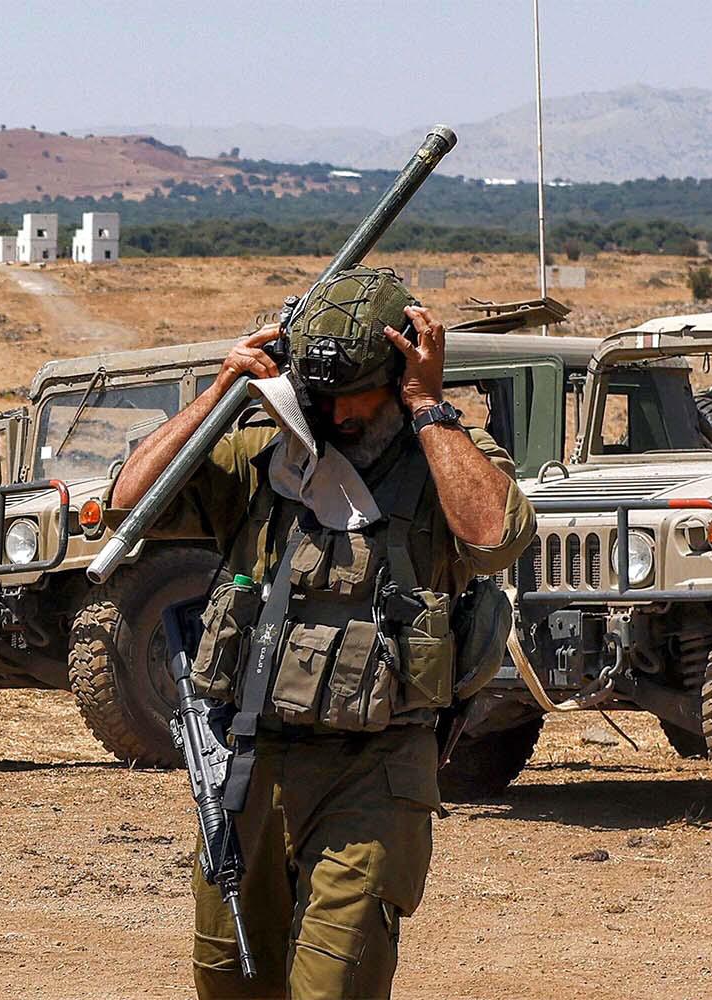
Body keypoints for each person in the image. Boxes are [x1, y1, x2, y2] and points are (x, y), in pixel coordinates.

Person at [111, 266, 536, 999]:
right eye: (319, 395)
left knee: (333, 986)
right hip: (250, 765)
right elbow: (125, 505)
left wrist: (430, 407)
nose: (333, 414)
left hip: (373, 774)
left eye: (353, 397)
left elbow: (494, 538)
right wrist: (217, 396)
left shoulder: (443, 457)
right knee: (227, 977)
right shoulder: (265, 457)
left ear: (401, 373)